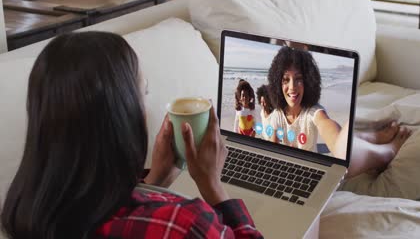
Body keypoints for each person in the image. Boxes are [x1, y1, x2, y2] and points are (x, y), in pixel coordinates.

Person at [0, 32, 263, 239]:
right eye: (143, 93)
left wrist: (154, 181)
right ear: (122, 115)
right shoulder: (184, 224)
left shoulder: (24, 211)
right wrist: (213, 185)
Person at [267, 46, 411, 178]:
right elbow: (269, 154)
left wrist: (339, 143)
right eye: (286, 80)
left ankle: (387, 152)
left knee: (343, 155)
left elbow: (332, 135)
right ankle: (369, 137)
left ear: (308, 82)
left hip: (309, 172)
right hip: (287, 174)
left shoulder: (313, 113)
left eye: (299, 79)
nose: (292, 87)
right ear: (277, 83)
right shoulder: (277, 116)